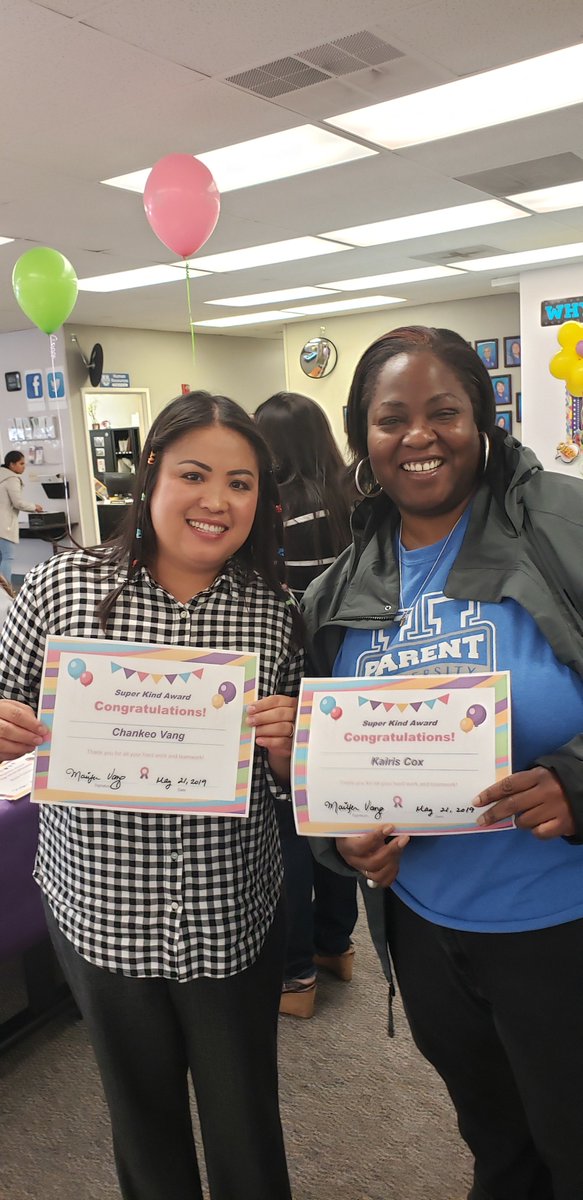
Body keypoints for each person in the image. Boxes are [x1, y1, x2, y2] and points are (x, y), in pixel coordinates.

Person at [302, 326, 583, 1200]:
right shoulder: (333, 594)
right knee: (497, 1147)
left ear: (483, 420)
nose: (417, 435)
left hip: (561, 927)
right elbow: (322, 768)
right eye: (391, 419)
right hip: (426, 933)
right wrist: (344, 845)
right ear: (363, 440)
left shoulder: (564, 522)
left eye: (443, 412)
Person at [0, 391, 303, 1200]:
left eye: (240, 483)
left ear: (260, 501)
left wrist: (288, 749)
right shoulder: (63, 586)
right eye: (194, 474)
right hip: (100, 909)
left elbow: (296, 782)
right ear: (151, 479)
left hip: (227, 911)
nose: (216, 501)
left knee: (245, 1120)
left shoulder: (274, 614)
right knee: (142, 1120)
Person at [255, 391, 358, 1017]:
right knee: (338, 813)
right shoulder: (358, 499)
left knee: (292, 828)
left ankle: (295, 977)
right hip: (349, 680)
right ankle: (337, 945)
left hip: (289, 685)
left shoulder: (271, 512)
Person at [0, 451, 42, 583]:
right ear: (12, 465)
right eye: (21, 463)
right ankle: (7, 591)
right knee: (8, 557)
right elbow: (17, 502)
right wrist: (34, 506)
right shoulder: (11, 479)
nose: (24, 467)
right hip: (4, 526)